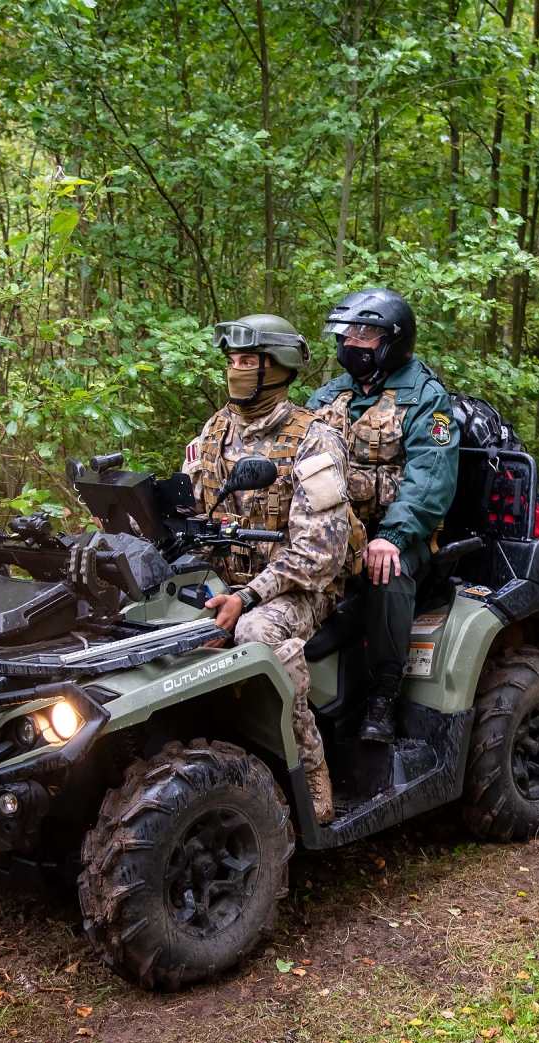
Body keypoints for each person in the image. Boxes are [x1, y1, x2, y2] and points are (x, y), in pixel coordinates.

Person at [183, 313, 355, 825]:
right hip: (226, 577)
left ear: (276, 369)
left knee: (259, 634)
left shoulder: (315, 440)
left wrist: (251, 595)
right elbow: (195, 513)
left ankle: (311, 770)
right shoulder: (214, 431)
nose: (236, 371)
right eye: (231, 361)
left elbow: (319, 552)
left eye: (248, 362)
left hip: (296, 590)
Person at [307, 288, 459, 745]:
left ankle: (382, 697)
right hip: (334, 529)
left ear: (394, 342)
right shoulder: (329, 395)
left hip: (399, 534)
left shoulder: (425, 397)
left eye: (367, 334)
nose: (354, 342)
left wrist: (393, 534)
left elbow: (431, 476)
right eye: (349, 333)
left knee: (385, 574)